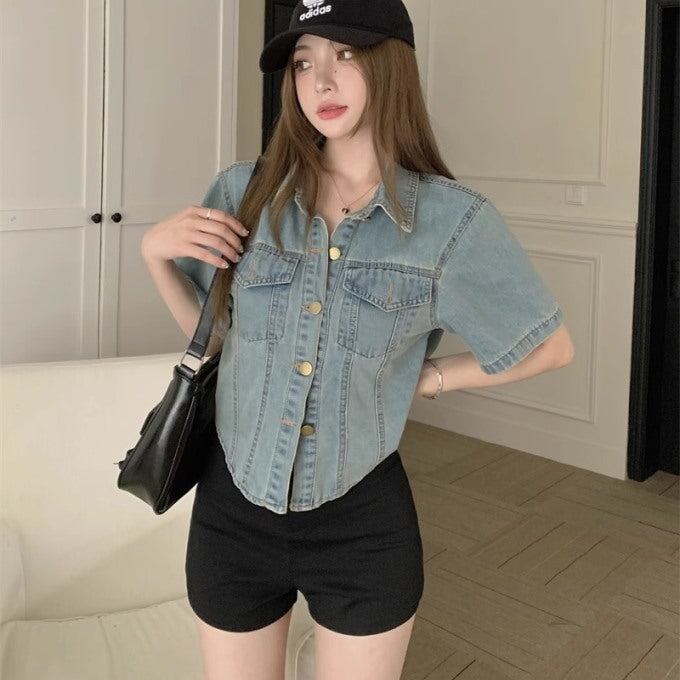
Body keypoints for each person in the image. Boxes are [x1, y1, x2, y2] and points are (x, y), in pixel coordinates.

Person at [141, 1, 575, 678]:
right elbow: (216, 338)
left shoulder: (450, 222)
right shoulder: (244, 191)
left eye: (344, 54)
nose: (320, 81)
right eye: (303, 62)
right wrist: (154, 255)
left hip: (362, 527)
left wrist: (430, 379)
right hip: (232, 512)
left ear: (389, 63)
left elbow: (549, 347)